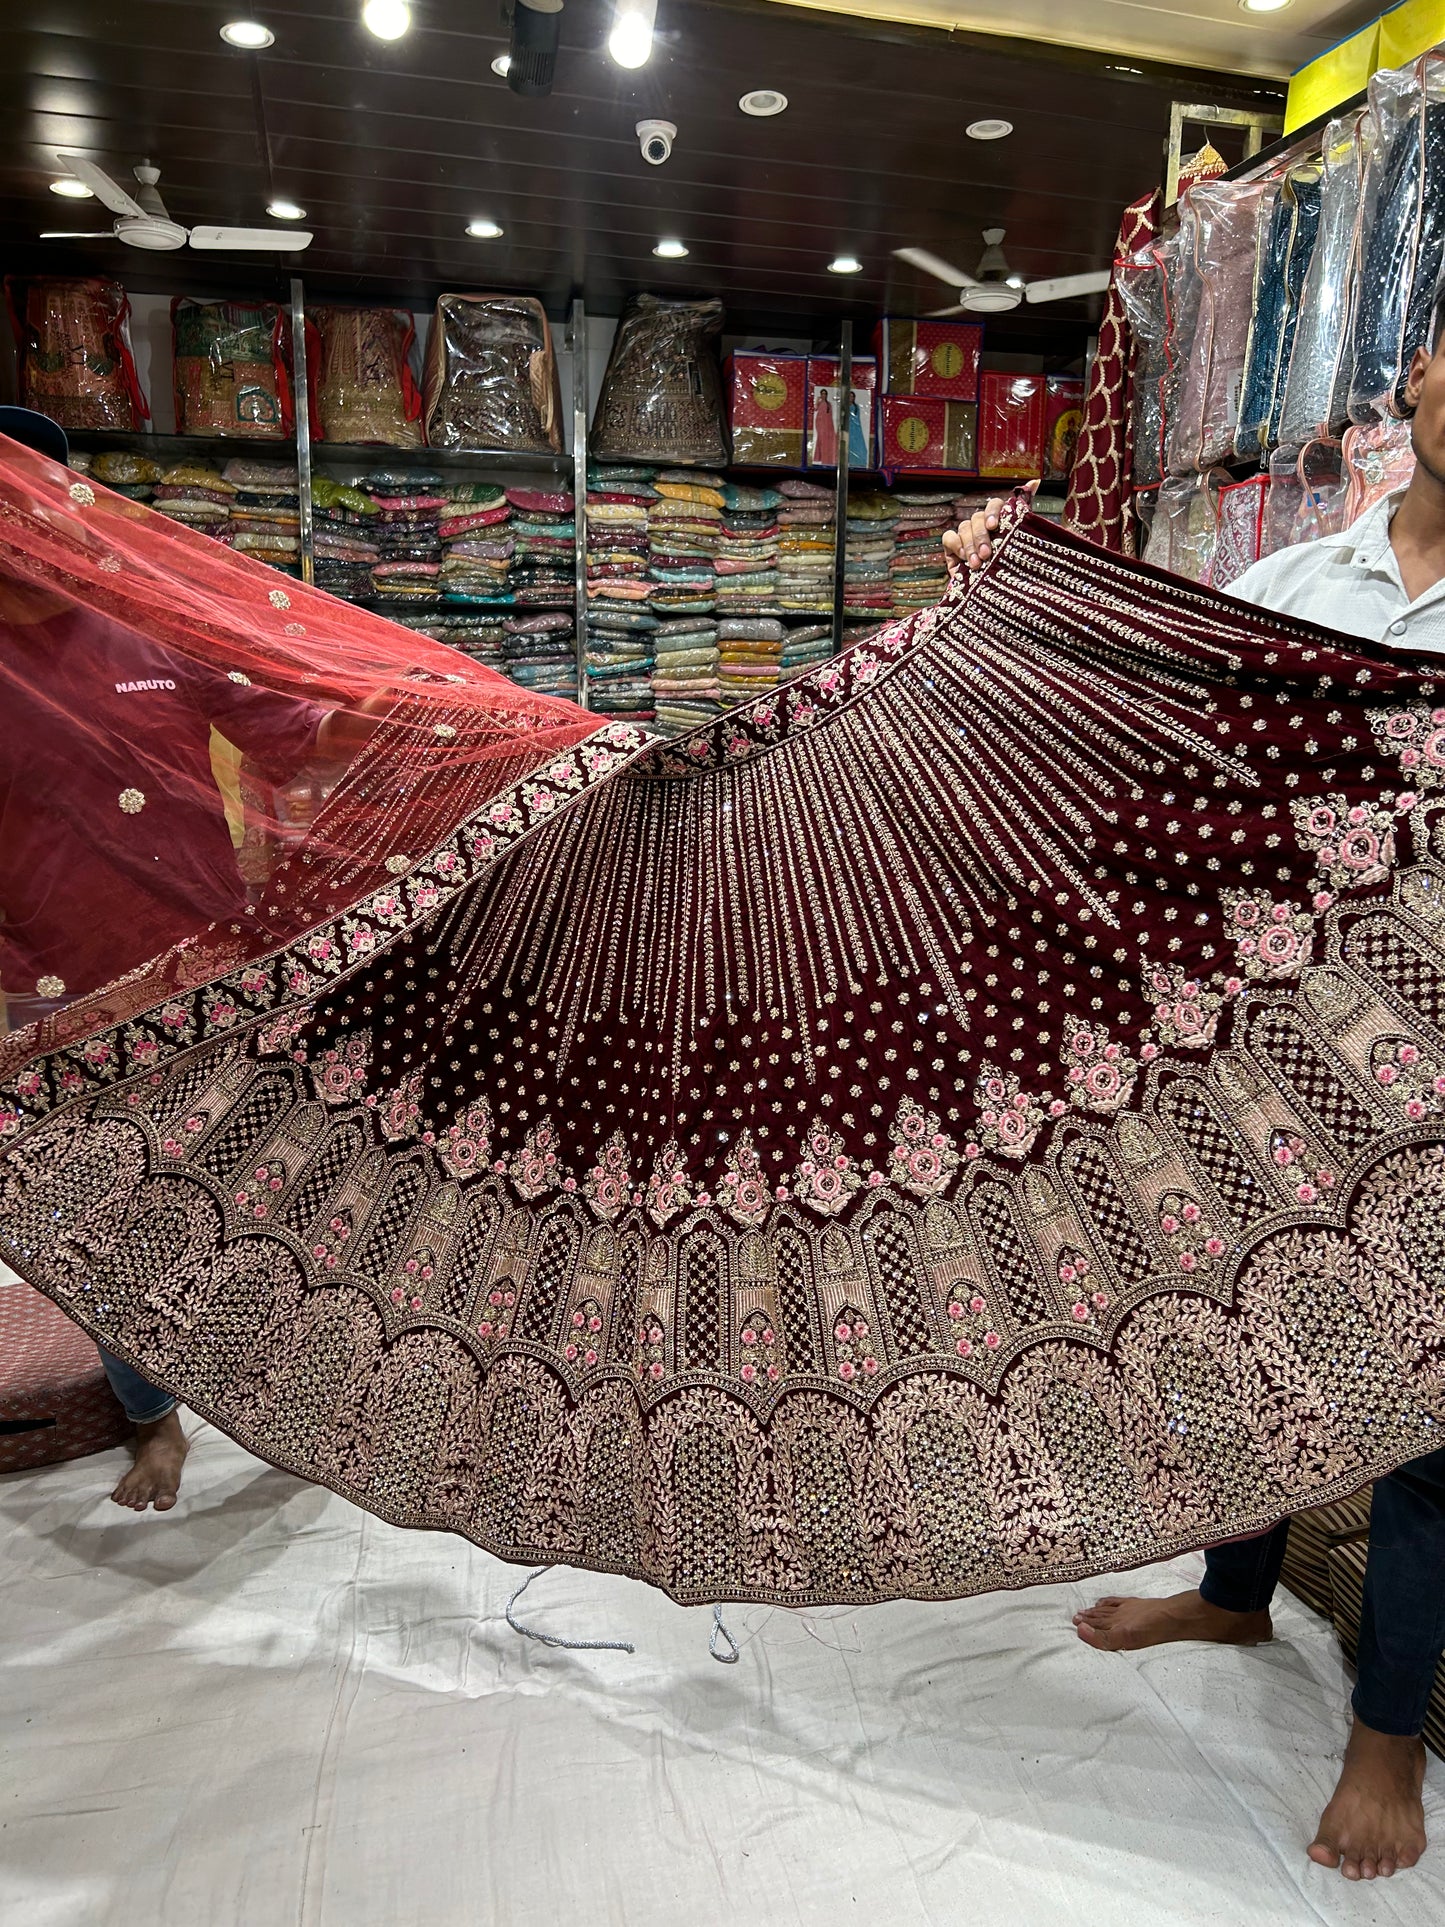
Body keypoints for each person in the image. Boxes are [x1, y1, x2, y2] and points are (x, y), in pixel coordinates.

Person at [947, 294, 1445, 1884]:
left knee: (1432, 1414)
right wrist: (1015, 604)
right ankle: (1236, 1593)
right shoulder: (1301, 579)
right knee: (1256, 1326)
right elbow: (1153, 729)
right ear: (1419, 370)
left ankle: (1385, 1731)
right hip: (1282, 1049)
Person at [0, 406, 386, 1513]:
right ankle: (154, 1421)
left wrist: (408, 711)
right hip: (58, 1007)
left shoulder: (146, 622)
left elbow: (288, 729)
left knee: (275, 1200)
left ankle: (300, 1396)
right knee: (109, 1235)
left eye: (35, 486)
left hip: (216, 979)